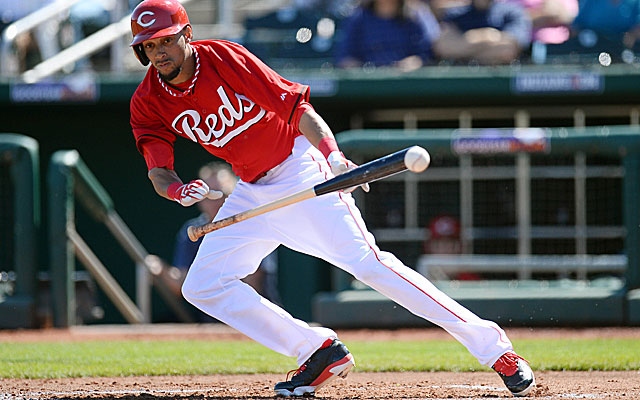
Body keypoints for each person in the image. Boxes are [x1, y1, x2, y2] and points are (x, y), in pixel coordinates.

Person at [128, 0, 534, 397]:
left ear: (187, 34)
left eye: (165, 40)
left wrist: (334, 158)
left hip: (298, 167)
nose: (158, 52)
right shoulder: (147, 100)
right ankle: (317, 351)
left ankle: (495, 350)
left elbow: (297, 107)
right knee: (202, 285)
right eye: (149, 45)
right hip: (251, 189)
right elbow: (158, 171)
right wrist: (179, 190)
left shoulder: (223, 58)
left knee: (370, 266)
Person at [172, 161, 281, 306]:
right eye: (208, 196)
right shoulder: (193, 230)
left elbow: (252, 284)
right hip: (211, 319)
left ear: (234, 195)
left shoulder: (252, 226)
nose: (215, 202)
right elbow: (185, 285)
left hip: (254, 314)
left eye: (221, 194)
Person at [334, 0, 436, 71]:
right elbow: (345, 58)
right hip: (368, 87)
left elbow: (425, 55)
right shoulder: (358, 18)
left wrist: (415, 62)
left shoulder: (413, 18)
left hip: (404, 85)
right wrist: (362, 69)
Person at [432, 0, 532, 65]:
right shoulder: (455, 14)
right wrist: (486, 37)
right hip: (462, 82)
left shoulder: (513, 12)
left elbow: (507, 50)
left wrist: (463, 45)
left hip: (499, 79)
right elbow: (443, 48)